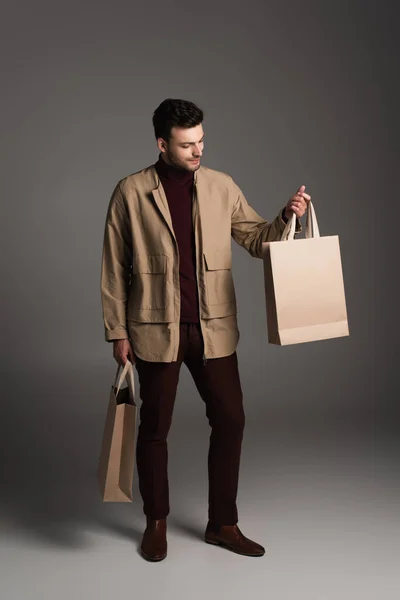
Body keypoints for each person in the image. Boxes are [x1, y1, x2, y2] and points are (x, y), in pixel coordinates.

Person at [100, 98, 311, 561]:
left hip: (213, 329)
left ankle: (223, 524)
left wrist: (286, 217)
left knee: (231, 419)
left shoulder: (221, 186)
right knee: (154, 428)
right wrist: (118, 332)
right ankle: (156, 523)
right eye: (187, 144)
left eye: (201, 141)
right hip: (155, 329)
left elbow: (258, 239)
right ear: (162, 144)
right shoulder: (130, 193)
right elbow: (115, 268)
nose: (198, 151)